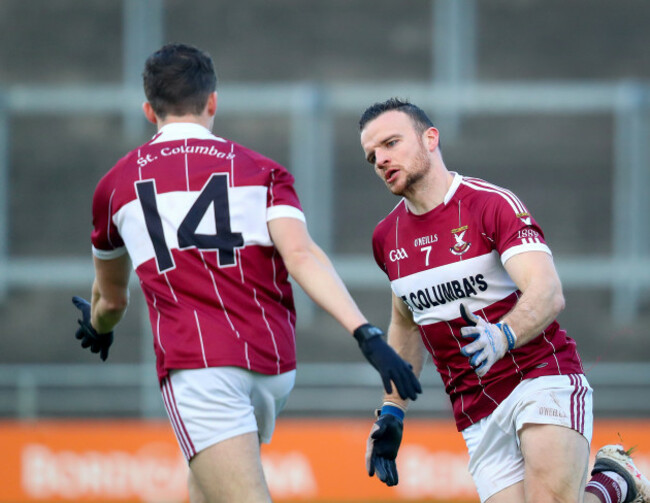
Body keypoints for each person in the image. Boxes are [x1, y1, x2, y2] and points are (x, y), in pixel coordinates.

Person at [71, 45, 422, 503]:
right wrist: (366, 333)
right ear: (212, 101)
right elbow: (302, 256)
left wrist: (97, 327)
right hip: (272, 363)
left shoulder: (116, 186)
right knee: (205, 490)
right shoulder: (261, 170)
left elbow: (112, 301)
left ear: (148, 110)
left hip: (200, 366)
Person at [358, 97, 650, 503]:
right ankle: (615, 482)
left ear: (430, 138)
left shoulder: (489, 204)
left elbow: (547, 292)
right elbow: (407, 323)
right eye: (371, 155)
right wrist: (392, 409)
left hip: (539, 375)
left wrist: (503, 335)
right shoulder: (385, 237)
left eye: (391, 143)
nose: (381, 160)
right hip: (475, 406)